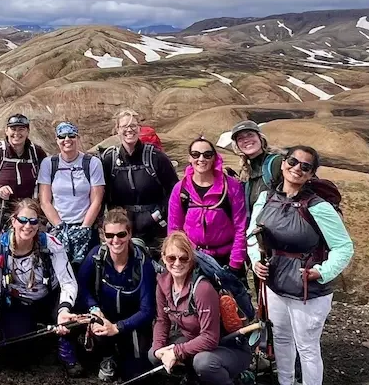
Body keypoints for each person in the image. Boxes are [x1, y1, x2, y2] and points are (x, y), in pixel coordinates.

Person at [247, 146, 353, 385]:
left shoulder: (318, 207)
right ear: (283, 164)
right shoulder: (265, 199)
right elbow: (252, 235)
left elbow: (344, 247)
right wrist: (257, 261)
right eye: (293, 161)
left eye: (305, 166)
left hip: (309, 287)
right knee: (281, 337)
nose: (297, 168)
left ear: (310, 175)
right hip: (276, 282)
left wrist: (322, 272)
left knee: (307, 346)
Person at [150, 231, 253, 385]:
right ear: (163, 258)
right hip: (194, 341)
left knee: (203, 362)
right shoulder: (163, 283)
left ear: (191, 260)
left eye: (184, 258)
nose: (177, 263)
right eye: (172, 257)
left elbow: (210, 338)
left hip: (228, 346)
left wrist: (177, 352)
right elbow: (162, 321)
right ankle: (197, 381)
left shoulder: (203, 289)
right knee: (153, 354)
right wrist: (158, 350)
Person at [0, 199, 83, 376]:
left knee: (73, 319)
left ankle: (65, 345)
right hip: (17, 300)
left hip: (49, 297)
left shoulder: (51, 244)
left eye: (33, 221)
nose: (27, 226)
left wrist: (63, 310)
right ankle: (41, 337)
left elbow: (68, 281)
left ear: (39, 224)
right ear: (13, 221)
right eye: (22, 220)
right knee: (17, 355)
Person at [77, 208, 155, 383]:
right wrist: (94, 309)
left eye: (121, 234)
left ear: (129, 234)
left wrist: (119, 327)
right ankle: (107, 356)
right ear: (103, 236)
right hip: (103, 317)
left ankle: (123, 356)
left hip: (132, 322)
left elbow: (147, 309)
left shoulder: (142, 263)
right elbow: (82, 287)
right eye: (110, 235)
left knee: (138, 380)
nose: (115, 240)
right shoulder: (96, 257)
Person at [167, 137, 247, 275]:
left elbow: (241, 227)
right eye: (196, 154)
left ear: (214, 158)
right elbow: (174, 229)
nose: (201, 159)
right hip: (193, 258)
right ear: (190, 158)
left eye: (207, 154)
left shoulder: (232, 187)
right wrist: (177, 257)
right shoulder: (180, 190)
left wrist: (235, 262)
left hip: (226, 259)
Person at [101, 109, 177, 252]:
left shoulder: (156, 157)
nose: (129, 130)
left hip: (155, 230)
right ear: (117, 130)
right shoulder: (109, 160)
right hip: (122, 230)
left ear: (139, 129)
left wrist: (155, 215)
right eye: (125, 126)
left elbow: (174, 191)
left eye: (133, 126)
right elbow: (102, 194)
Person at [38, 122, 105, 266]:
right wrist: (59, 227)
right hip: (58, 228)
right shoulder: (48, 164)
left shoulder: (92, 163)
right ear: (56, 140)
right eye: (62, 136)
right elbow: (45, 201)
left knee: (87, 274)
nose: (67, 139)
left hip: (86, 226)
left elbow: (97, 199)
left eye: (71, 135)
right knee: (59, 272)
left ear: (77, 137)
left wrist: (85, 228)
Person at [0, 113, 47, 242]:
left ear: (28, 131)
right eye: (13, 129)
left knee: (29, 252)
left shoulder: (37, 154)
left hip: (27, 218)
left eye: (21, 129)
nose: (17, 133)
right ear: (6, 130)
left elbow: (47, 182)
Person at [229, 120, 283, 218]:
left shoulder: (277, 163)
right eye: (240, 138)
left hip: (281, 228)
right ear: (237, 146)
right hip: (257, 230)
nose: (246, 140)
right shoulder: (245, 172)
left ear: (260, 137)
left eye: (250, 135)